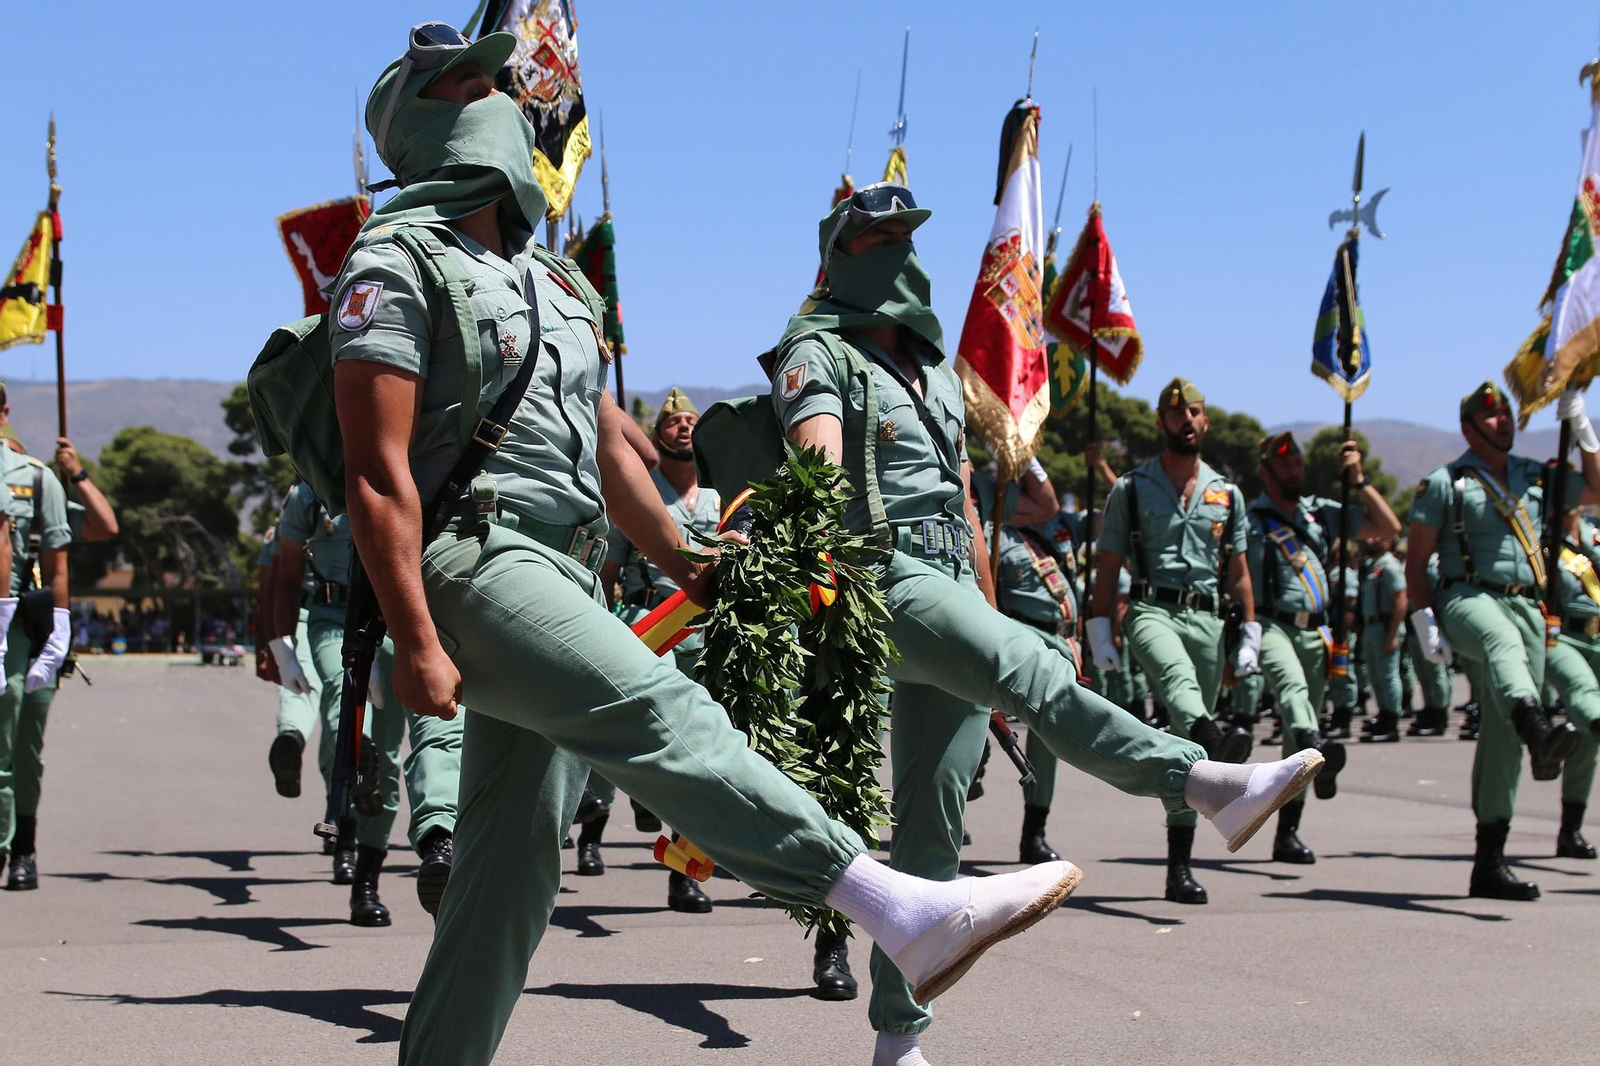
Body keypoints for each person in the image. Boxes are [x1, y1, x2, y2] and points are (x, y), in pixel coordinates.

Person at [333, 28, 1089, 1066]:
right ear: (415, 120)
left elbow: (603, 447)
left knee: (509, 880)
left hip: (562, 564)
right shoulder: (395, 258)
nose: (499, 91)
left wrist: (688, 561)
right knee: (657, 709)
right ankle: (890, 903)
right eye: (467, 80)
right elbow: (375, 472)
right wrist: (414, 634)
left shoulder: (556, 284)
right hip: (471, 557)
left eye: (496, 77)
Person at [772, 184, 1319, 1064]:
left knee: (930, 822)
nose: (894, 249)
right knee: (1035, 666)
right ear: (835, 256)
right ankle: (1203, 785)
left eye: (905, 235)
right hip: (875, 573)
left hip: (950, 578)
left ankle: (895, 1040)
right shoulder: (816, 349)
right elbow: (818, 461)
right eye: (872, 236)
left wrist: (982, 609)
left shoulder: (937, 375)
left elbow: (970, 511)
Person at [1407, 382, 1600, 900]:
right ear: (1468, 427)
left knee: (1500, 737)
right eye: (1490, 417)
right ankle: (1539, 727)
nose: (1504, 422)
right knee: (1500, 644)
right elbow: (1416, 558)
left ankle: (1489, 863)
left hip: (1527, 607)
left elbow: (1596, 490)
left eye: (1508, 414)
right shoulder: (1446, 483)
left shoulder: (1536, 476)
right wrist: (1423, 619)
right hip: (1467, 597)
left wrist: (1584, 433)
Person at [1088, 377, 1262, 907]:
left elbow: (1238, 573)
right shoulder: (1132, 488)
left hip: (1208, 620)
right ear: (1162, 423)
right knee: (1179, 689)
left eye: (1196, 411)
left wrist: (1249, 632)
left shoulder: (1226, 494)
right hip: (1149, 610)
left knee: (1190, 751)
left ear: (1205, 422)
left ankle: (1178, 867)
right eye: (1177, 412)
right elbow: (1108, 565)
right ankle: (1212, 728)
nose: (1188, 419)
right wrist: (1099, 631)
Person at [271, 480, 462, 923]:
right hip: (337, 622)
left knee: (440, 727)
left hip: (415, 622)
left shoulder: (420, 469)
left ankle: (437, 838)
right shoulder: (308, 493)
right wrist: (282, 647)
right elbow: (286, 577)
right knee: (358, 726)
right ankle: (366, 881)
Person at [1232, 431, 1401, 865]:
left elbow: (1389, 527)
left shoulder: (1319, 514)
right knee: (1292, 691)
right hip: (1271, 625)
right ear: (1266, 474)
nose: (1295, 471)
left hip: (1317, 632)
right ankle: (1318, 739)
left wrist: (1359, 479)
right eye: (1284, 465)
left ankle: (1287, 834)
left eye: (1298, 464)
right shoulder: (1250, 521)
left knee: (1294, 746)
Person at [591, 388, 717, 913]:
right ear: (658, 434)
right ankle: (622, 797)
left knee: (705, 751)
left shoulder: (721, 498)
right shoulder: (639, 491)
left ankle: (683, 874)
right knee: (658, 720)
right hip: (652, 623)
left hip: (709, 631)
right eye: (673, 422)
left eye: (691, 420)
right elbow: (609, 573)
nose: (683, 427)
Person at [0, 413, 71, 891]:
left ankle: (23, 845)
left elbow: (57, 559)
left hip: (24, 629)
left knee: (25, 746)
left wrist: (60, 631)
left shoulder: (35, 478)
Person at [1540, 509, 1600, 859]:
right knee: (1584, 699)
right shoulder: (1541, 542)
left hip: (1597, 636)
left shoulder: (1593, 535)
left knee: (1589, 739)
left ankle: (1570, 831)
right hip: (1561, 638)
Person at [1359, 535, 1408, 744]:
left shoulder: (1390, 566)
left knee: (1388, 677)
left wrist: (1392, 634)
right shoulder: (1373, 566)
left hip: (1385, 627)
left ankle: (1391, 722)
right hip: (1372, 626)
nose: (1370, 540)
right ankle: (1383, 714)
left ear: (1389, 541)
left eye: (1377, 536)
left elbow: (1400, 600)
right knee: (1376, 677)